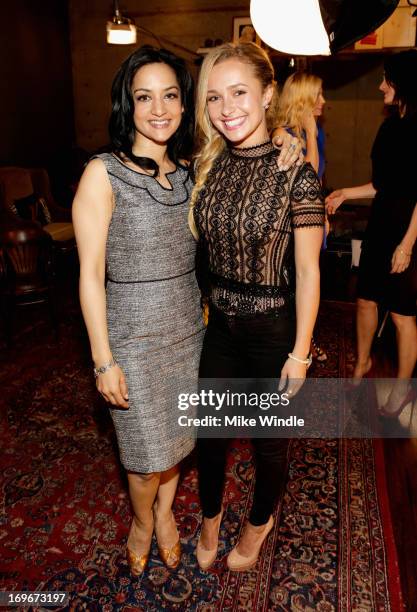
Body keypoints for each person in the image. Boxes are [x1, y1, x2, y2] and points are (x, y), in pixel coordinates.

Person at [72, 45, 304, 576]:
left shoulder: (196, 169)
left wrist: (287, 137)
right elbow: (87, 276)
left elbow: (253, 149)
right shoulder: (102, 174)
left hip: (190, 328)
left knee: (178, 441)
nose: (158, 109)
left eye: (170, 95)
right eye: (143, 97)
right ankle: (142, 521)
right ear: (126, 106)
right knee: (142, 454)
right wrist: (103, 359)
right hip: (128, 332)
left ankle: (169, 515)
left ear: (184, 104)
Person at [189, 42, 324, 571]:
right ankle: (209, 516)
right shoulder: (209, 166)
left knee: (270, 444)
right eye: (215, 97)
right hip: (219, 326)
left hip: (273, 330)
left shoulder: (297, 173)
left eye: (240, 92)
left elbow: (311, 272)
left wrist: (300, 353)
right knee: (211, 436)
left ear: (268, 94)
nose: (227, 108)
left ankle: (259, 522)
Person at [326, 49, 417, 417]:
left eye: (387, 80)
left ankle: (401, 389)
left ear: (405, 84)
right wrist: (348, 191)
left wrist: (407, 246)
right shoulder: (389, 125)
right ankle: (362, 364)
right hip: (381, 224)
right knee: (365, 299)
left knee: (401, 316)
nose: (381, 86)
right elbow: (383, 185)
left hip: (409, 231)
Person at [274, 71, 328, 361]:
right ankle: (293, 348)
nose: (323, 100)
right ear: (303, 98)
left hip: (310, 225)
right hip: (289, 229)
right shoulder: (282, 136)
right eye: (318, 94)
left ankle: (305, 339)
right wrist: (309, 131)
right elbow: (306, 175)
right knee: (294, 286)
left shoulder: (316, 133)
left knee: (310, 285)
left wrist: (323, 217)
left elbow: (318, 182)